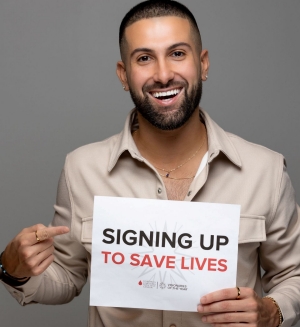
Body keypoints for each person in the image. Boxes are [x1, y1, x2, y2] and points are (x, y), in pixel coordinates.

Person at [1, 1, 299, 326]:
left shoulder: (265, 171)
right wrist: (11, 269)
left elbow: (293, 274)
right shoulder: (81, 170)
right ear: (124, 75)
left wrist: (273, 311)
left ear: (203, 64)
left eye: (178, 54)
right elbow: (68, 277)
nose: (163, 74)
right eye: (144, 58)